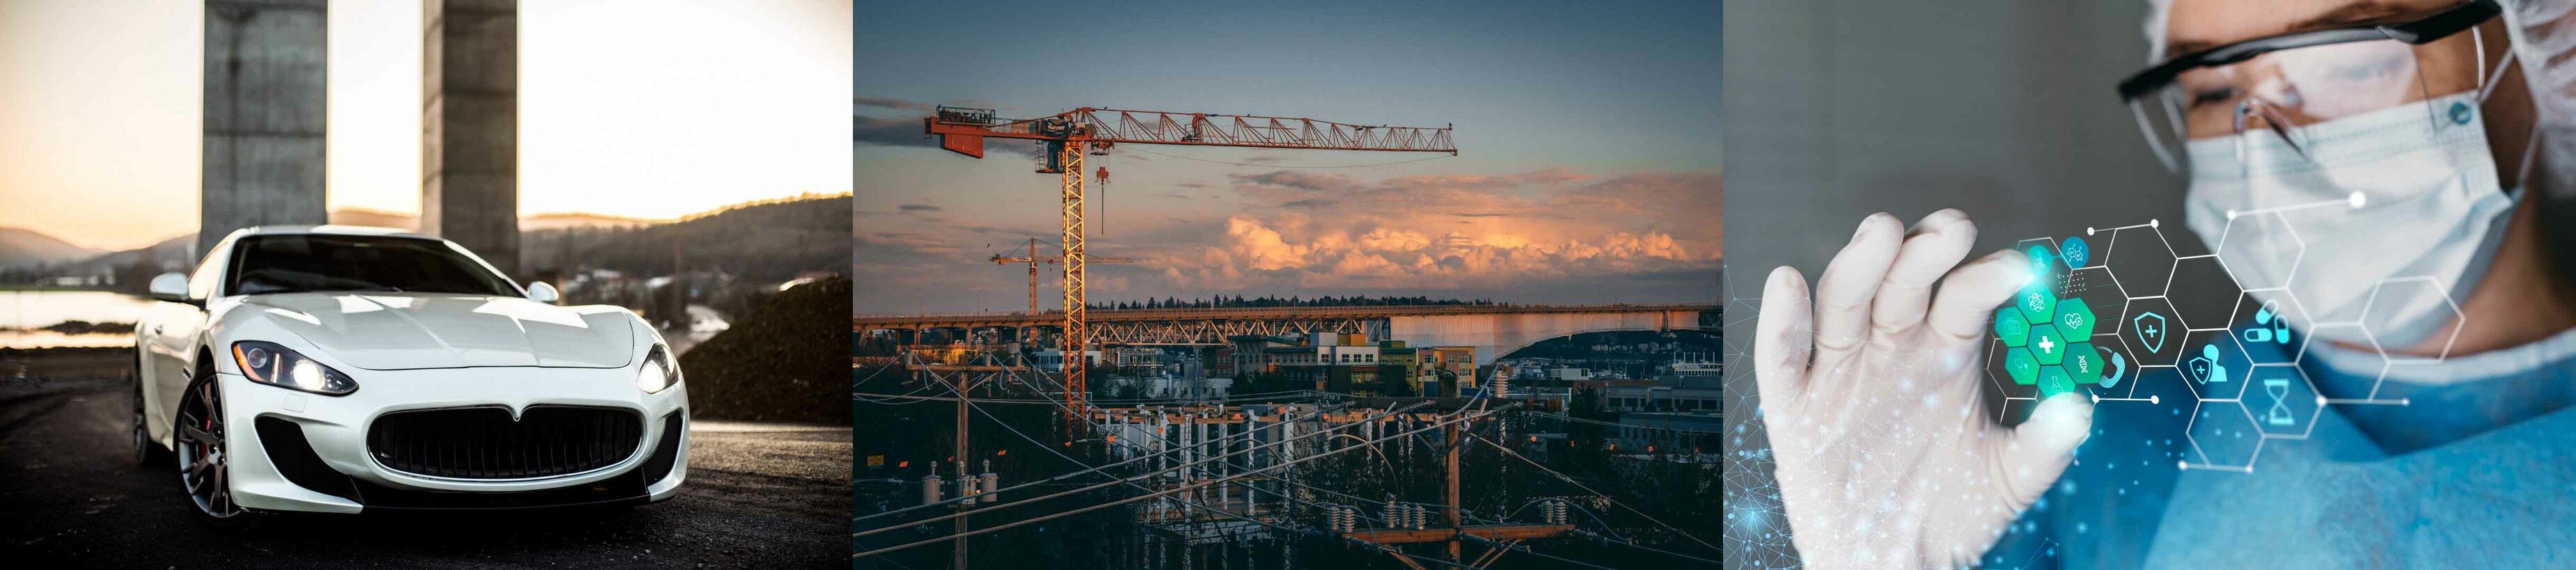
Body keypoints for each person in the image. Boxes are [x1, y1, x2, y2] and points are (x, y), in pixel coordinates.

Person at [1752, 0, 2576, 567]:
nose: (2263, 139)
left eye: (2350, 60)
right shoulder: (2101, 451)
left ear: (2549, 45)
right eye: (2213, 89)